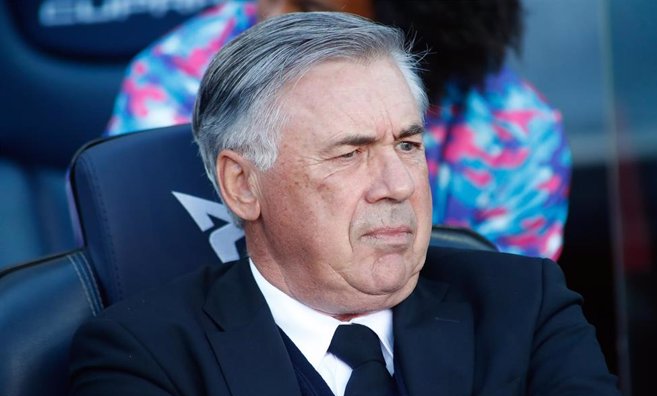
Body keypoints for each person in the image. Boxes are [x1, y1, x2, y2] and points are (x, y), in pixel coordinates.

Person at [69, 12, 642, 396]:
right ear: (242, 185)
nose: (396, 185)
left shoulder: (522, 300)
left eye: (408, 145)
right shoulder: (142, 352)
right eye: (350, 153)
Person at [105, 0, 570, 260]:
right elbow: (148, 279)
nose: (271, 10)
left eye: (310, 6)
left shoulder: (515, 136)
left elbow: (498, 337)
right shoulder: (176, 78)